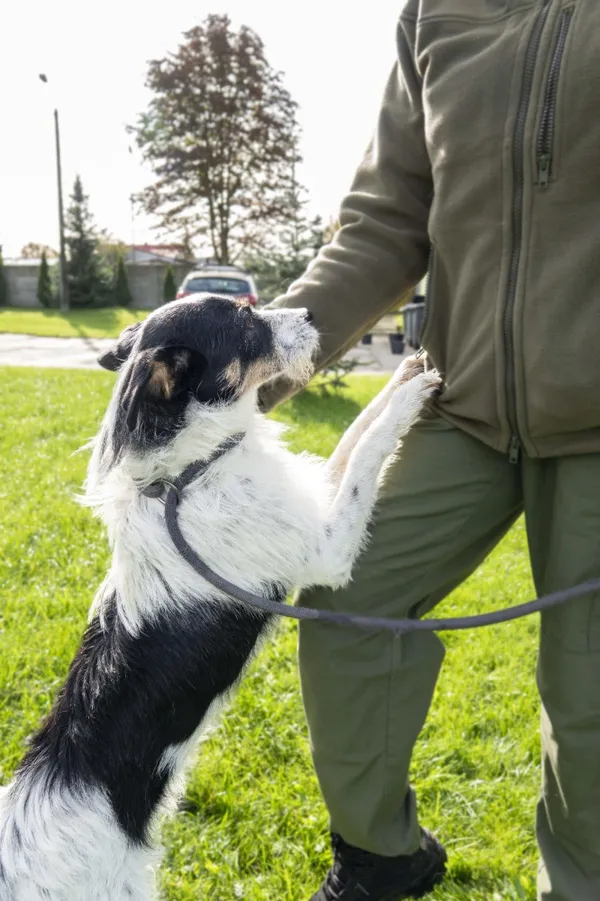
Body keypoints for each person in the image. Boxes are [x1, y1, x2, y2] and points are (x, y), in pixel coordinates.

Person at [257, 2, 600, 899]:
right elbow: (384, 221)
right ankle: (381, 858)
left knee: (591, 699)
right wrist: (255, 365)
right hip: (462, 400)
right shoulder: (436, 12)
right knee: (347, 595)